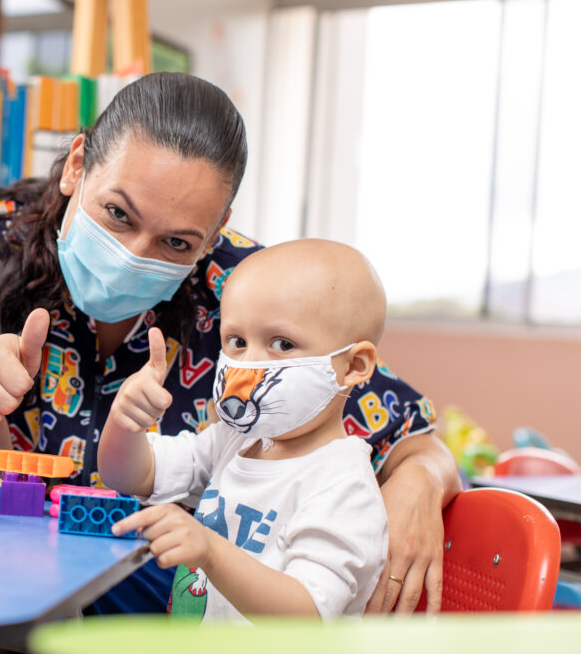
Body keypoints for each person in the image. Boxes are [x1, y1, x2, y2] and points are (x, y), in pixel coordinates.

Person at [0, 72, 461, 614]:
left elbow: (410, 433)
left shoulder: (249, 294)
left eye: (176, 241)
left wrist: (418, 483)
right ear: (77, 165)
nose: (134, 254)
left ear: (215, 233)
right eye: (118, 214)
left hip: (166, 596)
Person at [99, 239, 389, 620]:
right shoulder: (233, 441)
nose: (249, 365)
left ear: (353, 366)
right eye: (237, 341)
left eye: (282, 344)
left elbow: (307, 616)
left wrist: (211, 551)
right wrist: (126, 422)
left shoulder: (343, 487)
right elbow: (129, 475)